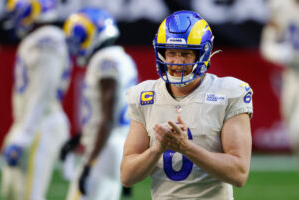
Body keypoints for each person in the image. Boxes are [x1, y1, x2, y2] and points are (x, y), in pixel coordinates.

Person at [121, 10, 253, 200]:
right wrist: (157, 149)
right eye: (171, 53)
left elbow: (239, 174)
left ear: (203, 53)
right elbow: (127, 176)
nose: (176, 62)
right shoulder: (144, 95)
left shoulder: (229, 92)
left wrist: (186, 148)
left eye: (185, 54)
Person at [62, 7, 138, 200]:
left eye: (79, 35)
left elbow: (108, 116)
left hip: (104, 148)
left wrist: (89, 162)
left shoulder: (104, 60)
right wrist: (80, 138)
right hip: (118, 143)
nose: (76, 42)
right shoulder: (124, 58)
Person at [0, 0, 71, 200]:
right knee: (11, 193)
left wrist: (23, 136)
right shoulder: (38, 38)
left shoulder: (46, 39)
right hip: (30, 122)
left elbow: (42, 93)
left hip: (39, 125)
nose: (15, 17)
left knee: (28, 195)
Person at [260, 0, 299, 154]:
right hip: (292, 74)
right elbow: (267, 43)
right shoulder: (280, 5)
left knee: (297, 130)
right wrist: (283, 53)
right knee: (290, 122)